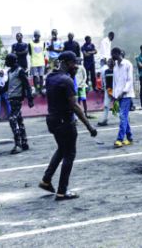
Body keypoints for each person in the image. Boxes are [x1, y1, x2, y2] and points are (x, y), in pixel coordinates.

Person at [39, 51, 98, 201]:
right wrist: (89, 127)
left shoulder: (51, 77)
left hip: (52, 121)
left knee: (61, 149)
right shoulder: (67, 81)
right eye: (74, 63)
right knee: (69, 154)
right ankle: (62, 191)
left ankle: (46, 180)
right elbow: (75, 107)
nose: (76, 66)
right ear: (66, 62)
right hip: (65, 122)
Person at [4, 54, 34, 154]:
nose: (5, 62)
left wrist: (30, 99)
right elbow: (7, 85)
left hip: (18, 99)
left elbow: (27, 86)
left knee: (12, 119)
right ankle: (24, 142)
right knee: (19, 120)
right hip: (11, 99)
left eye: (7, 60)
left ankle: (18, 144)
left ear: (12, 61)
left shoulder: (20, 71)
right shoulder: (9, 72)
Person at [111, 47, 135, 148]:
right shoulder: (115, 66)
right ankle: (129, 138)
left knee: (122, 116)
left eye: (113, 54)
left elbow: (130, 80)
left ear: (118, 53)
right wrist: (115, 95)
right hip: (118, 95)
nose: (112, 56)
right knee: (123, 116)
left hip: (126, 95)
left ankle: (119, 139)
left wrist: (123, 92)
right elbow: (115, 82)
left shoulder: (128, 64)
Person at [97, 58, 115, 127]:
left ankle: (124, 119)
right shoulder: (106, 71)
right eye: (109, 62)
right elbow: (104, 80)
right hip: (108, 90)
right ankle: (104, 120)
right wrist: (105, 88)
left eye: (111, 62)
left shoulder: (116, 70)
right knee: (106, 105)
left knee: (119, 105)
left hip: (116, 90)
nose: (110, 63)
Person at [29, 30, 47, 96]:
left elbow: (44, 52)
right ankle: (36, 89)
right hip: (34, 62)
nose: (37, 37)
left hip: (41, 61)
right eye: (36, 35)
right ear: (34, 36)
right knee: (35, 76)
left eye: (38, 35)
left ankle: (41, 89)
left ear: (40, 36)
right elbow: (30, 53)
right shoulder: (30, 43)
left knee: (41, 75)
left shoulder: (43, 43)